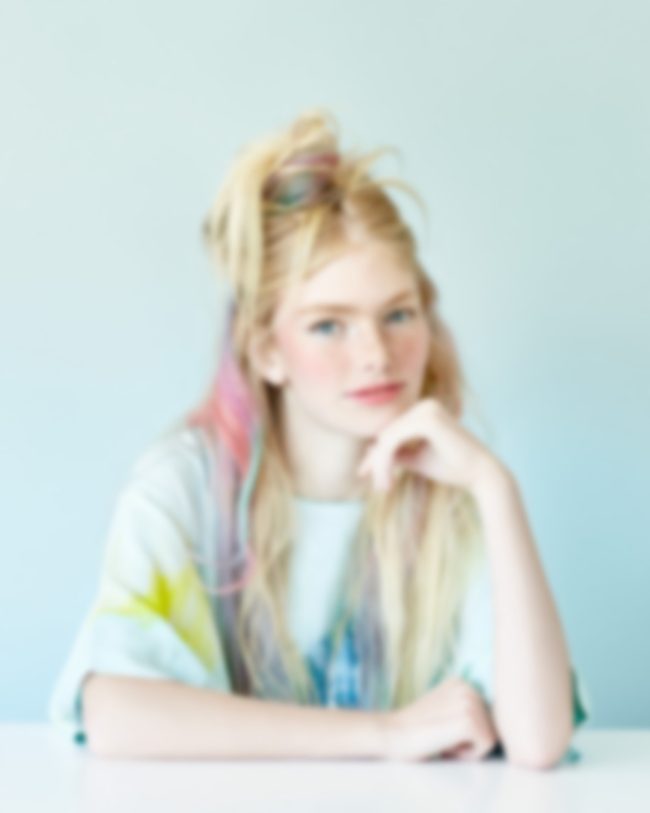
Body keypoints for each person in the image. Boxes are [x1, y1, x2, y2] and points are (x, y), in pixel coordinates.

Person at [48, 108, 591, 767]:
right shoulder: (183, 486)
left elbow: (538, 742)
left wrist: (495, 487)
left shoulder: (456, 494)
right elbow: (115, 714)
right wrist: (384, 735)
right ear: (266, 352)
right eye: (329, 325)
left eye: (398, 314)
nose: (376, 355)